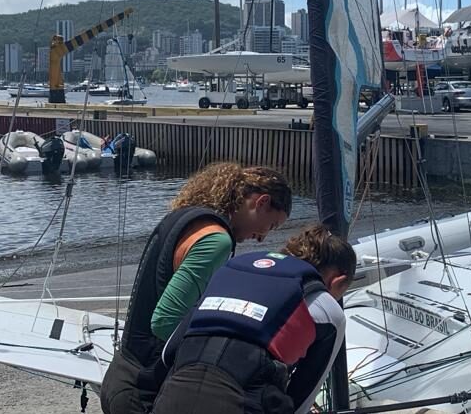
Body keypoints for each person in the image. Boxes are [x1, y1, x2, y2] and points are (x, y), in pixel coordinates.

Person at [100, 163, 293, 414]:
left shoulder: (185, 217)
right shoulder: (217, 241)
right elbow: (165, 322)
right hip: (143, 389)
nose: (263, 237)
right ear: (262, 202)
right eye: (273, 225)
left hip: (122, 371)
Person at [151, 225, 355, 414]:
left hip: (173, 395)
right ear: (338, 281)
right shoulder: (328, 309)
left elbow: (169, 352)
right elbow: (302, 396)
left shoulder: (233, 272)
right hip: (239, 403)